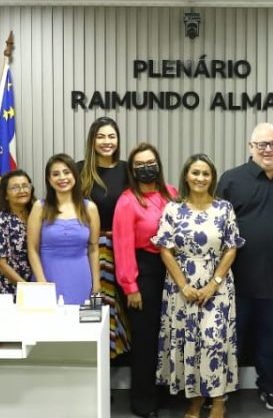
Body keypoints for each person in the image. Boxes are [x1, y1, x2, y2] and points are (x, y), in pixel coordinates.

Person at [215, 122, 273, 410]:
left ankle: (271, 387)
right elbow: (217, 229)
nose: (268, 149)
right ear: (251, 147)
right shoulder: (231, 180)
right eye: (261, 144)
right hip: (236, 279)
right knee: (231, 338)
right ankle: (222, 387)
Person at [153, 154, 243, 418]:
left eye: (206, 173)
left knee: (214, 340)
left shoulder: (224, 209)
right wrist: (183, 285)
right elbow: (165, 250)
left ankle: (217, 400)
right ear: (186, 176)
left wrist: (213, 284)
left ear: (212, 178)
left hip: (218, 285)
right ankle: (194, 399)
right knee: (189, 343)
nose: (200, 178)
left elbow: (231, 248)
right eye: (195, 173)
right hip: (182, 288)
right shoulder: (173, 209)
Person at [113, 143, 178, 418]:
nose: (145, 168)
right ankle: (144, 401)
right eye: (139, 165)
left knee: (168, 337)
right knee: (146, 341)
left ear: (158, 163)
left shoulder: (171, 193)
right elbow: (123, 245)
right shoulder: (127, 200)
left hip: (172, 270)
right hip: (144, 271)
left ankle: (165, 393)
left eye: (149, 162)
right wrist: (131, 286)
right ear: (132, 170)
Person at [77, 116, 132, 359]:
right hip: (90, 251)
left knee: (124, 311)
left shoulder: (127, 170)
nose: (106, 141)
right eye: (101, 136)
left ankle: (120, 366)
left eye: (111, 136)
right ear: (92, 140)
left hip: (124, 249)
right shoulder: (79, 170)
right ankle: (99, 367)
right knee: (98, 307)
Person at [28, 154, 101, 305]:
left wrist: (96, 282)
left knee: (81, 326)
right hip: (47, 276)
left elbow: (93, 248)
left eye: (66, 172)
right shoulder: (39, 208)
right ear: (49, 180)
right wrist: (42, 283)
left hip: (81, 277)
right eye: (56, 174)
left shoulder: (90, 208)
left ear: (74, 175)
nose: (62, 178)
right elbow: (32, 248)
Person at [0, 169, 35, 294]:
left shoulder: (37, 213)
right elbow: (0, 263)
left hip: (39, 282)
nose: (22, 191)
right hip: (11, 288)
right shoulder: (0, 219)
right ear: (6, 195)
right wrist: (25, 287)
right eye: (15, 187)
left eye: (25, 186)